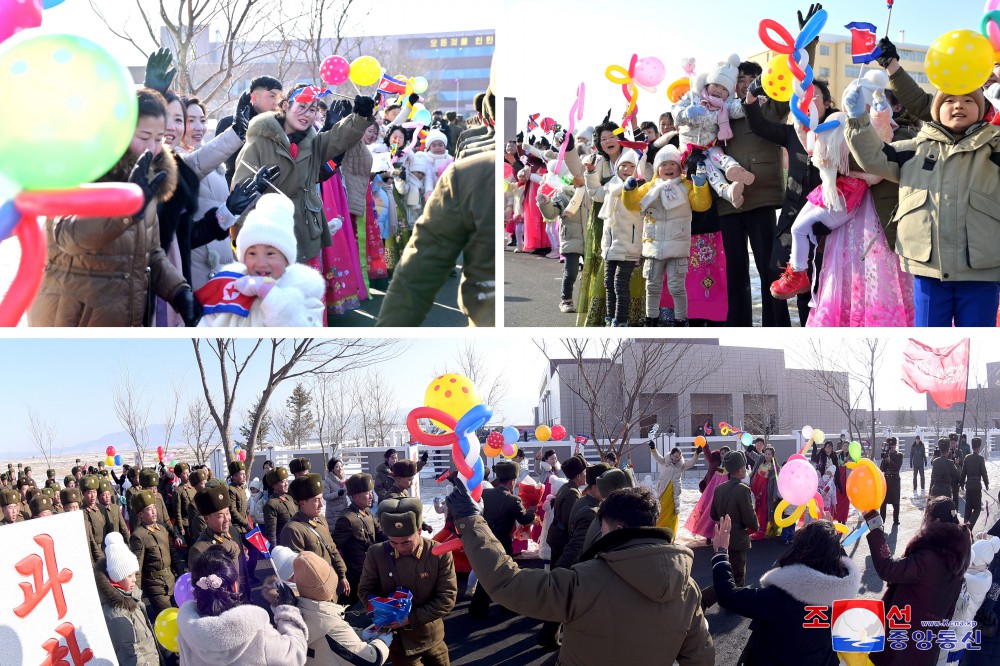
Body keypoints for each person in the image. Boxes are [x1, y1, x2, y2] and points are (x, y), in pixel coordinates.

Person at [448, 480, 714, 665]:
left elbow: (508, 583)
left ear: (617, 528)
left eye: (603, 526)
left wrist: (471, 520)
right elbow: (700, 655)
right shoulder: (687, 585)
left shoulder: (584, 580)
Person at [28, 88, 198, 327]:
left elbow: (151, 251)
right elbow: (67, 235)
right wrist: (124, 212)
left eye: (158, 139)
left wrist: (179, 291)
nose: (153, 147)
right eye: (144, 136)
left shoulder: (148, 181)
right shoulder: (80, 171)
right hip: (72, 322)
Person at [845, 74, 1000, 325]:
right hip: (928, 270)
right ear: (937, 110)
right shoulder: (915, 149)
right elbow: (874, 156)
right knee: (928, 341)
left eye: (969, 100)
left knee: (977, 337)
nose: (959, 105)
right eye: (950, 100)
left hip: (981, 271)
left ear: (982, 109)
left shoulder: (994, 149)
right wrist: (857, 120)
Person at [232, 86, 376, 278]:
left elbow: (337, 139)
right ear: (285, 106)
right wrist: (243, 238)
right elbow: (241, 190)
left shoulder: (312, 141)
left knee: (306, 296)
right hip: (270, 236)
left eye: (312, 109)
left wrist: (360, 117)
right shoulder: (259, 141)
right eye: (302, 107)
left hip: (305, 230)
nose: (307, 114)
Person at [711, 516, 861, 666]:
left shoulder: (779, 597)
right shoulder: (843, 596)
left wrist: (721, 553)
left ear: (800, 549)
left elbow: (728, 596)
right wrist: (830, 537)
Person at [376, 150, 495, 327]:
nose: (419, 175)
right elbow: (422, 265)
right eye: (417, 172)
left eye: (421, 173)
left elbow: (421, 264)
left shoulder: (466, 173)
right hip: (408, 218)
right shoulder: (468, 174)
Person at [863, 496, 972, 665]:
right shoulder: (957, 561)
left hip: (904, 646)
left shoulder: (929, 558)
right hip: (927, 646)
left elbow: (888, 568)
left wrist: (875, 527)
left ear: (934, 522)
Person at [198, 192, 325, 327]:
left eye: (270, 253)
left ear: (286, 259)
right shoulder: (228, 285)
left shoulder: (306, 292)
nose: (261, 262)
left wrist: (271, 296)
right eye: (252, 253)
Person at [358, 497, 457, 666]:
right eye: (393, 542)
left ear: (419, 530)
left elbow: (447, 598)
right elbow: (365, 590)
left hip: (432, 637)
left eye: (406, 542)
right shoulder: (376, 553)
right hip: (399, 643)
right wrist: (382, 609)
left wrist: (410, 618)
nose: (400, 547)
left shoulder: (438, 553)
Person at [623, 145, 712, 327]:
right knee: (652, 286)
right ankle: (651, 319)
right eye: (664, 164)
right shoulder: (649, 187)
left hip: (678, 247)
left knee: (676, 288)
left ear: (680, 168)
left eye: (673, 164)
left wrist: (701, 185)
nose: (669, 168)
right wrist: (629, 189)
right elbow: (633, 204)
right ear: (657, 169)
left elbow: (701, 205)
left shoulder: (686, 186)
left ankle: (681, 320)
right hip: (653, 246)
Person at [177, 546, 308, 665]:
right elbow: (295, 656)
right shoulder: (257, 634)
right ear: (235, 586)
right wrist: (288, 610)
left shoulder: (185, 630)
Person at [263, 551, 391, 666]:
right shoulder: (329, 624)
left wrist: (360, 634)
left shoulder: (291, 612)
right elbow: (371, 660)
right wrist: (383, 642)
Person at [672, 55, 755, 206]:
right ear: (708, 83)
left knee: (719, 156)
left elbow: (736, 109)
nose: (719, 91)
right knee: (709, 169)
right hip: (690, 149)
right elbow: (675, 112)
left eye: (724, 89)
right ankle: (726, 191)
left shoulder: (724, 105)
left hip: (709, 145)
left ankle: (734, 170)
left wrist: (749, 103)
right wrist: (686, 113)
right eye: (716, 85)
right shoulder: (693, 97)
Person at [469, 461, 536, 618]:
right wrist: (532, 511)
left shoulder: (486, 494)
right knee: (508, 575)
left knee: (487, 573)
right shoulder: (513, 500)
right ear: (513, 480)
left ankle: (477, 608)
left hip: (485, 539)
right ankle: (507, 606)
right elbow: (525, 519)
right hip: (502, 543)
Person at [538, 454, 587, 649]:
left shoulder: (567, 488)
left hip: (556, 539)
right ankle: (549, 635)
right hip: (563, 543)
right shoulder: (573, 493)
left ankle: (550, 633)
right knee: (564, 589)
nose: (585, 476)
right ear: (578, 475)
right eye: (584, 473)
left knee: (562, 589)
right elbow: (570, 524)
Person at [702, 451, 759, 609]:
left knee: (728, 572)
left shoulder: (719, 489)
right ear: (739, 470)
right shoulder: (743, 489)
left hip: (721, 537)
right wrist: (755, 526)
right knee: (737, 575)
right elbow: (749, 517)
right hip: (738, 537)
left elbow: (713, 514)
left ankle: (729, 603)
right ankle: (703, 599)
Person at [279, 473, 350, 600]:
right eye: (316, 500)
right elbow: (295, 573)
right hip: (313, 596)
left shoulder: (320, 519)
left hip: (330, 587)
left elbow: (332, 549)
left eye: (321, 499)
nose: (321, 505)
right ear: (302, 503)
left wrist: (342, 575)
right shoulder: (293, 530)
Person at [97, 532, 160, 666]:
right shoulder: (116, 612)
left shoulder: (131, 594)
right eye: (129, 575)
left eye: (135, 574)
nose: (135, 579)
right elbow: (128, 654)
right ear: (116, 577)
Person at [215, 75, 283, 185]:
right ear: (254, 98)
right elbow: (225, 165)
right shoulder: (228, 124)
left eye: (280, 98)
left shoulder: (281, 127)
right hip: (237, 191)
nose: (277, 102)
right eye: (272, 96)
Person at [332, 473, 383, 606]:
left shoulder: (367, 512)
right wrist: (341, 573)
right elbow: (333, 547)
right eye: (367, 493)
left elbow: (380, 533)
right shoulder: (347, 519)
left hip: (372, 569)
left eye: (371, 492)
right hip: (357, 575)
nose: (371, 496)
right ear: (355, 496)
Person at [128, 488, 175, 620]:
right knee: (168, 618)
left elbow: (173, 554)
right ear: (141, 514)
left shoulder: (162, 529)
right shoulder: (138, 536)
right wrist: (135, 593)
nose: (154, 511)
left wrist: (182, 573)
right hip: (155, 586)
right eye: (149, 509)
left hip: (170, 580)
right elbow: (137, 567)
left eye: (154, 507)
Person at [649, 441, 701, 535]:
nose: (675, 458)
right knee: (661, 510)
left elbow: (691, 463)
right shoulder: (665, 461)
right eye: (673, 456)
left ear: (680, 457)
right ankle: (658, 531)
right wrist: (653, 448)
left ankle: (670, 532)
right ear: (671, 455)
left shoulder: (681, 465)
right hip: (663, 490)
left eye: (677, 457)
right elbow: (657, 457)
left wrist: (696, 454)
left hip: (674, 492)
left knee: (672, 512)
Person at [188, 485, 244, 571]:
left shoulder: (233, 532)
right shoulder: (200, 549)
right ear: (207, 518)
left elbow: (243, 571)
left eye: (227, 513)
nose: (226, 519)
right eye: (220, 516)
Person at [748, 446, 780, 540]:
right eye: (766, 453)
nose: (767, 456)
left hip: (765, 490)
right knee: (753, 508)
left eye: (769, 454)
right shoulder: (760, 459)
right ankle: (751, 528)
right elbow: (753, 455)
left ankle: (761, 532)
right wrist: (749, 448)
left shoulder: (775, 467)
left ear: (773, 455)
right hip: (755, 486)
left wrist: (774, 495)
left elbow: (775, 484)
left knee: (763, 510)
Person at [961, 437, 990, 528]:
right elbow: (983, 472)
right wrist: (986, 483)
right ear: (979, 447)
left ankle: (965, 528)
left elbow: (963, 472)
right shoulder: (980, 459)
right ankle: (969, 527)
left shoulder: (967, 458)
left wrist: (961, 483)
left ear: (972, 447)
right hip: (976, 486)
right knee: (977, 509)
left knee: (968, 508)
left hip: (968, 485)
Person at [264, 466, 296, 547]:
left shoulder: (289, 498)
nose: (286, 484)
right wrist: (275, 551)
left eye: (286, 481)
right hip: (283, 547)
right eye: (282, 482)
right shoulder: (271, 504)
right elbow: (271, 533)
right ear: (273, 485)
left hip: (295, 542)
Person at [880, 438, 903, 525]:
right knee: (883, 502)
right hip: (886, 480)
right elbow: (882, 468)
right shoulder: (886, 454)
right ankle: (882, 521)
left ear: (896, 446)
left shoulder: (899, 455)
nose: (892, 448)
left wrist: (889, 460)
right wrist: (884, 459)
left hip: (895, 479)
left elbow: (897, 467)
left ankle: (896, 519)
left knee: (896, 501)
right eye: (890, 447)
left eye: (893, 446)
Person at [323, 458, 350, 533]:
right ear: (332, 469)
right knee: (335, 532)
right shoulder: (328, 480)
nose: (340, 468)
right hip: (333, 513)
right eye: (337, 467)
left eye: (341, 466)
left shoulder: (345, 478)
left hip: (344, 510)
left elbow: (349, 493)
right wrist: (337, 493)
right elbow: (325, 496)